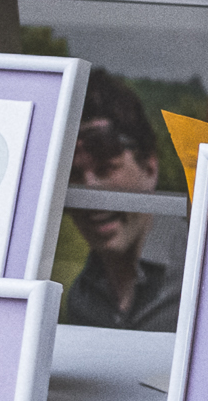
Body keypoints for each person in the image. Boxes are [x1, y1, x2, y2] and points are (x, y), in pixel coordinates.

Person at [61, 69, 181, 333]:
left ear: (149, 168)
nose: (90, 196)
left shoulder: (202, 272)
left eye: (106, 169)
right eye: (73, 177)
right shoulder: (82, 299)